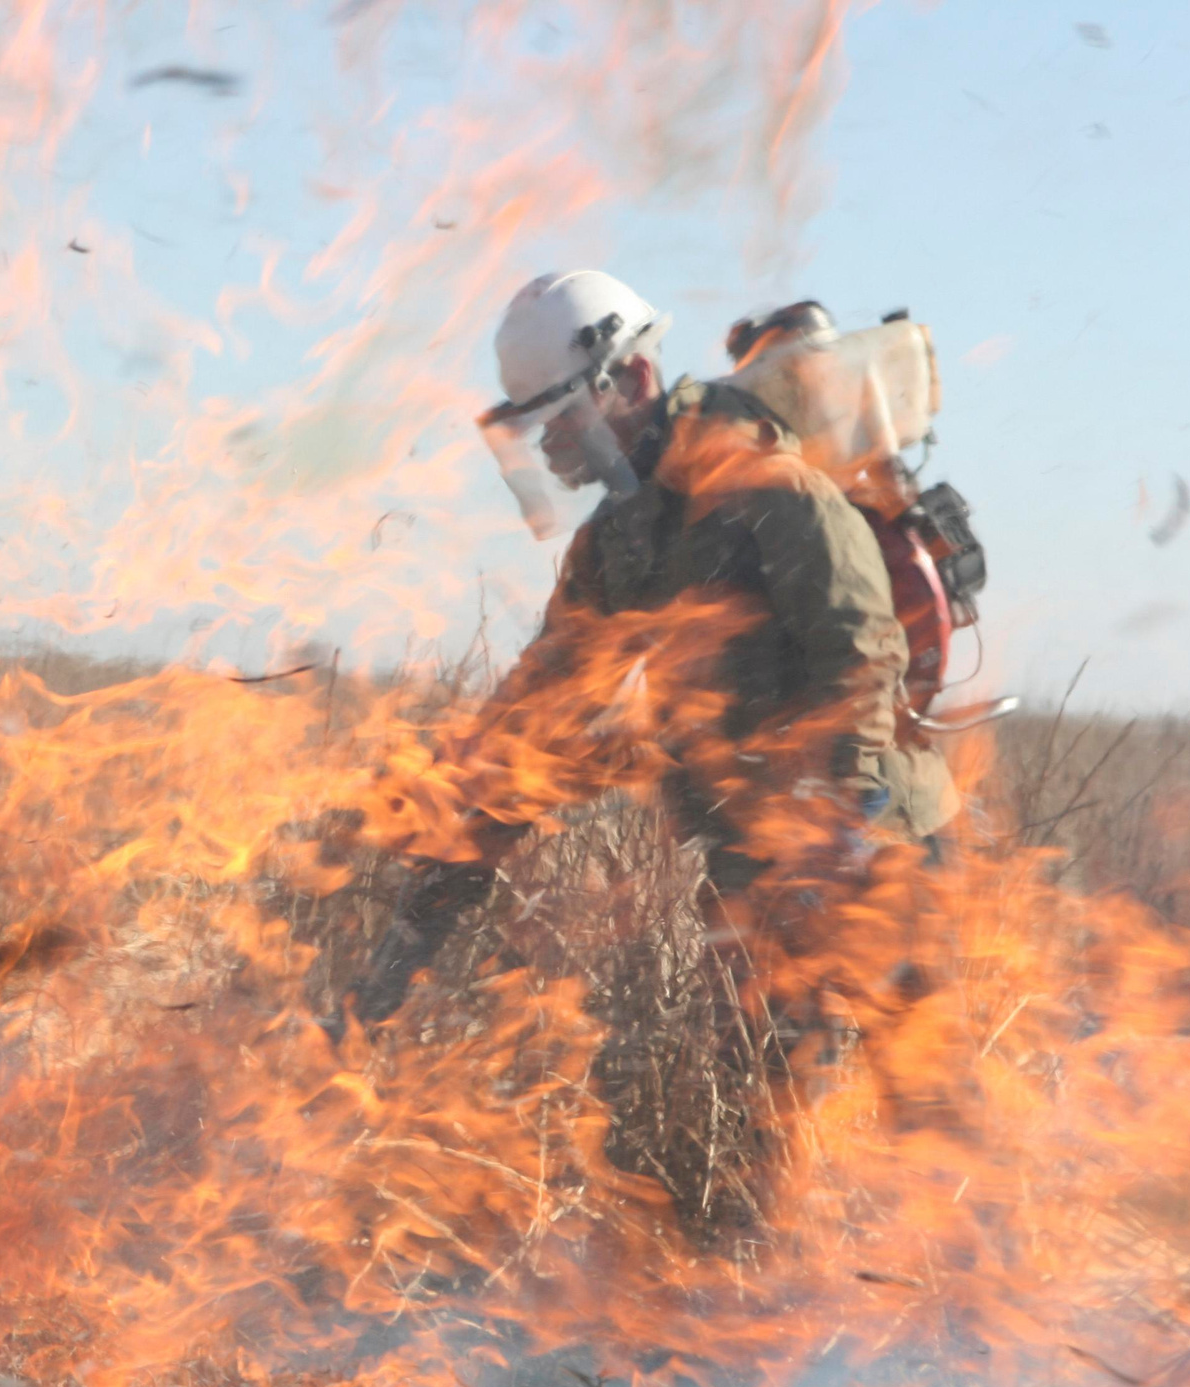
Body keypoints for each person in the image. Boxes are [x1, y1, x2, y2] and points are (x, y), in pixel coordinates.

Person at [333, 270, 958, 1044]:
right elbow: (545, 694)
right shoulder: (619, 538)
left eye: (563, 413)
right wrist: (461, 794)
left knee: (920, 1098)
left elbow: (861, 652)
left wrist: (840, 823)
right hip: (751, 846)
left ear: (631, 375)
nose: (554, 442)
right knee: (762, 1099)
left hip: (869, 833)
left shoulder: (767, 485)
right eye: (538, 427)